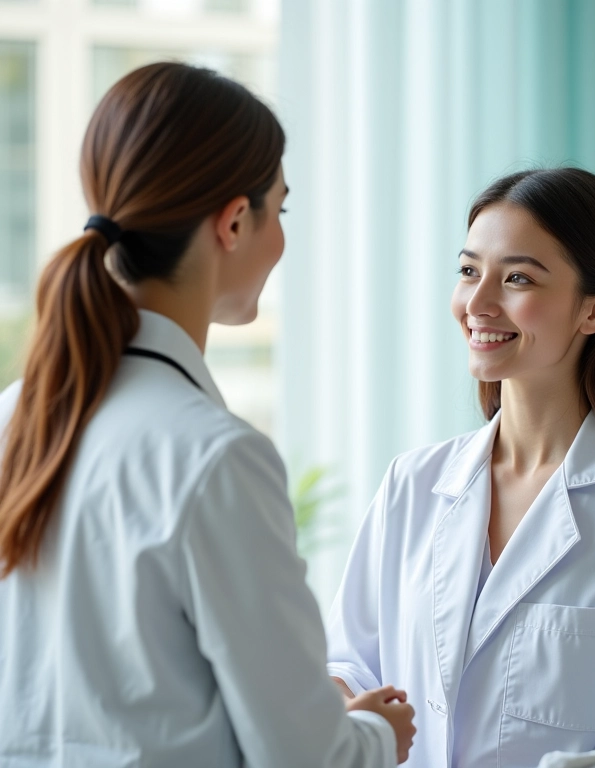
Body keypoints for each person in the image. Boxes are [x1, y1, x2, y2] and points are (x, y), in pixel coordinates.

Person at [0, 62, 415, 767]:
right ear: (234, 222)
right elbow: (307, 760)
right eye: (280, 211)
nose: (281, 239)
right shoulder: (216, 457)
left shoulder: (15, 417)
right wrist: (377, 734)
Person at [326, 168, 595, 768]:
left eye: (517, 278)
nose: (477, 304)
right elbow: (348, 663)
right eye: (469, 271)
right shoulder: (410, 485)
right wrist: (343, 706)